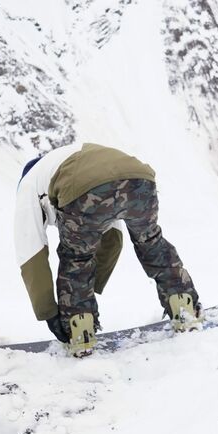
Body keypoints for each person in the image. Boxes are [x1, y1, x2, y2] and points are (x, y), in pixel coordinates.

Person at [15, 142, 201, 355]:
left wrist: (49, 312)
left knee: (77, 259)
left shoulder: (28, 185)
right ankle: (183, 306)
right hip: (140, 178)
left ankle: (80, 332)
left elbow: (31, 251)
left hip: (84, 187)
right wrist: (90, 288)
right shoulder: (71, 158)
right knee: (151, 242)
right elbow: (112, 236)